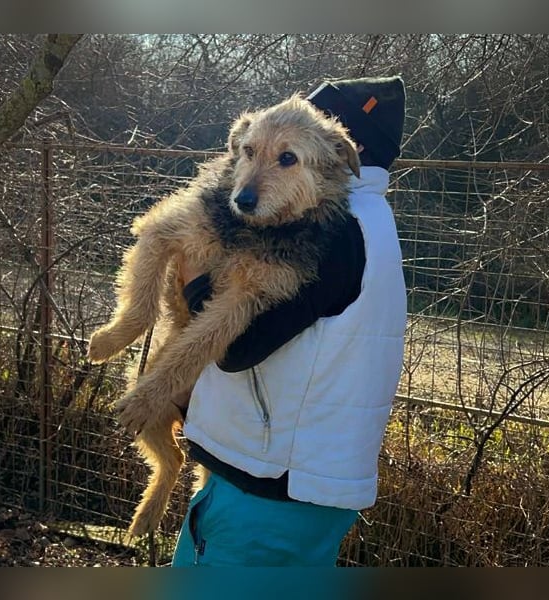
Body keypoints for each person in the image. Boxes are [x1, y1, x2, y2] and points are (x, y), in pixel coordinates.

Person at [172, 75, 408, 567]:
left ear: (345, 147)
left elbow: (237, 346)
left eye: (289, 154)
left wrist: (193, 278)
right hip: (303, 484)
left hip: (267, 488)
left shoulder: (334, 229)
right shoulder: (369, 220)